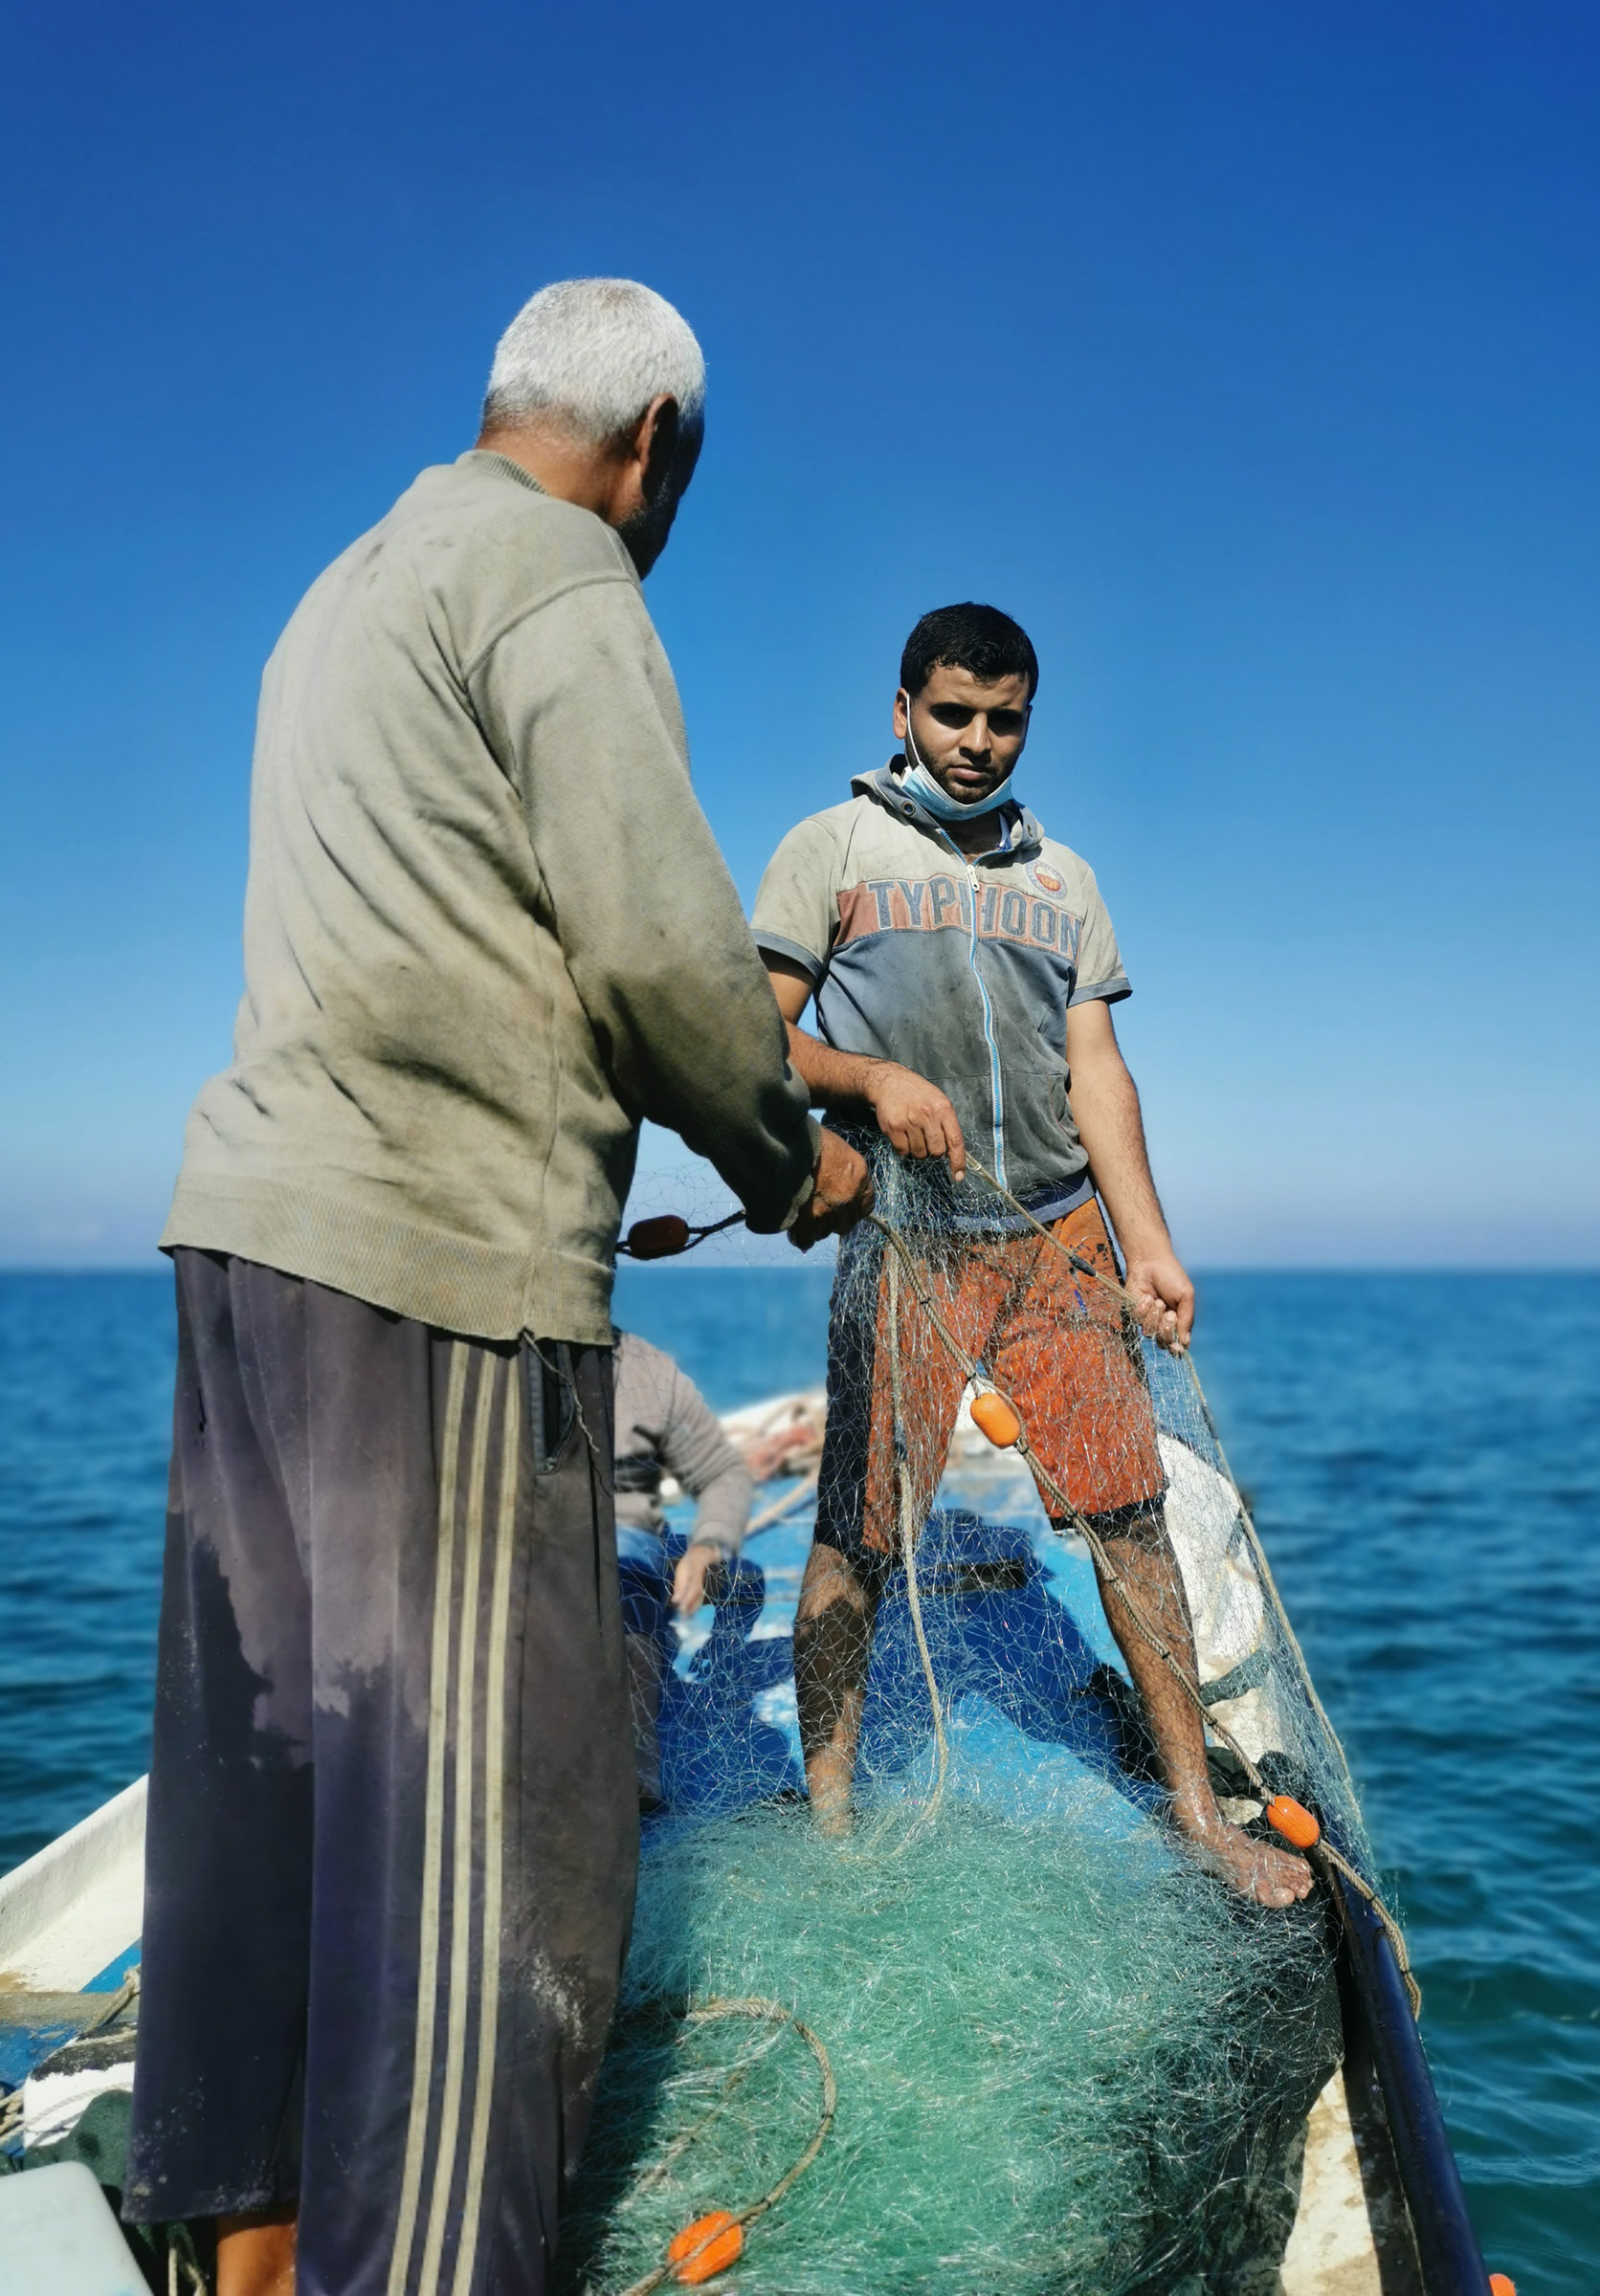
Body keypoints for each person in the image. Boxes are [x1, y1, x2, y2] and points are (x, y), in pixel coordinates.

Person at [122, 278, 872, 2296]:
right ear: (649, 448)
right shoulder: (561, 575)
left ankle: (245, 2257)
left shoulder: (345, 589)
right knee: (485, 1870)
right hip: (438, 1282)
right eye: (674, 481)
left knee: (271, 1801)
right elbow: (653, 949)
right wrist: (795, 1157)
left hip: (250, 1254)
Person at [750, 602, 1311, 1910]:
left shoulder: (1068, 881)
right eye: (952, 714)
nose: (976, 743)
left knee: (1129, 1518)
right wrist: (873, 1077)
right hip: (909, 1233)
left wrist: (1150, 1246)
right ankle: (828, 1819)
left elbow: (1100, 1073)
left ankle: (1194, 1814)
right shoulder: (829, 848)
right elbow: (751, 1037)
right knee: (860, 1530)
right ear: (902, 712)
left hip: (1059, 1237)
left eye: (1004, 720)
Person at [609, 1329, 755, 1808]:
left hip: (632, 1550)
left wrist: (707, 1545)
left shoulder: (644, 1367)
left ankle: (639, 1759)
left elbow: (723, 1473)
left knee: (743, 1580)